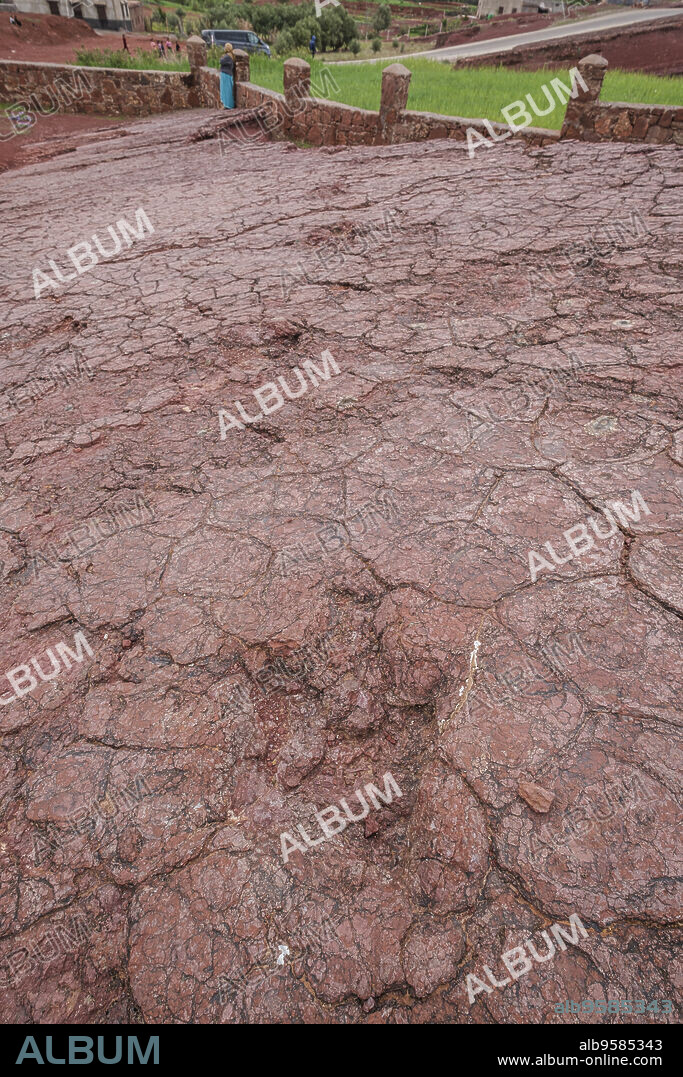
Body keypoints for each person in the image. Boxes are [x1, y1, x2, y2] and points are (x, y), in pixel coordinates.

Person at [219, 42, 235, 109]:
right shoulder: (231, 56)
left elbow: (221, 61)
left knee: (226, 90)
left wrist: (222, 57)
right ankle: (227, 104)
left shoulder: (227, 56)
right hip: (228, 74)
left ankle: (227, 104)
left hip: (226, 74)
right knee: (228, 90)